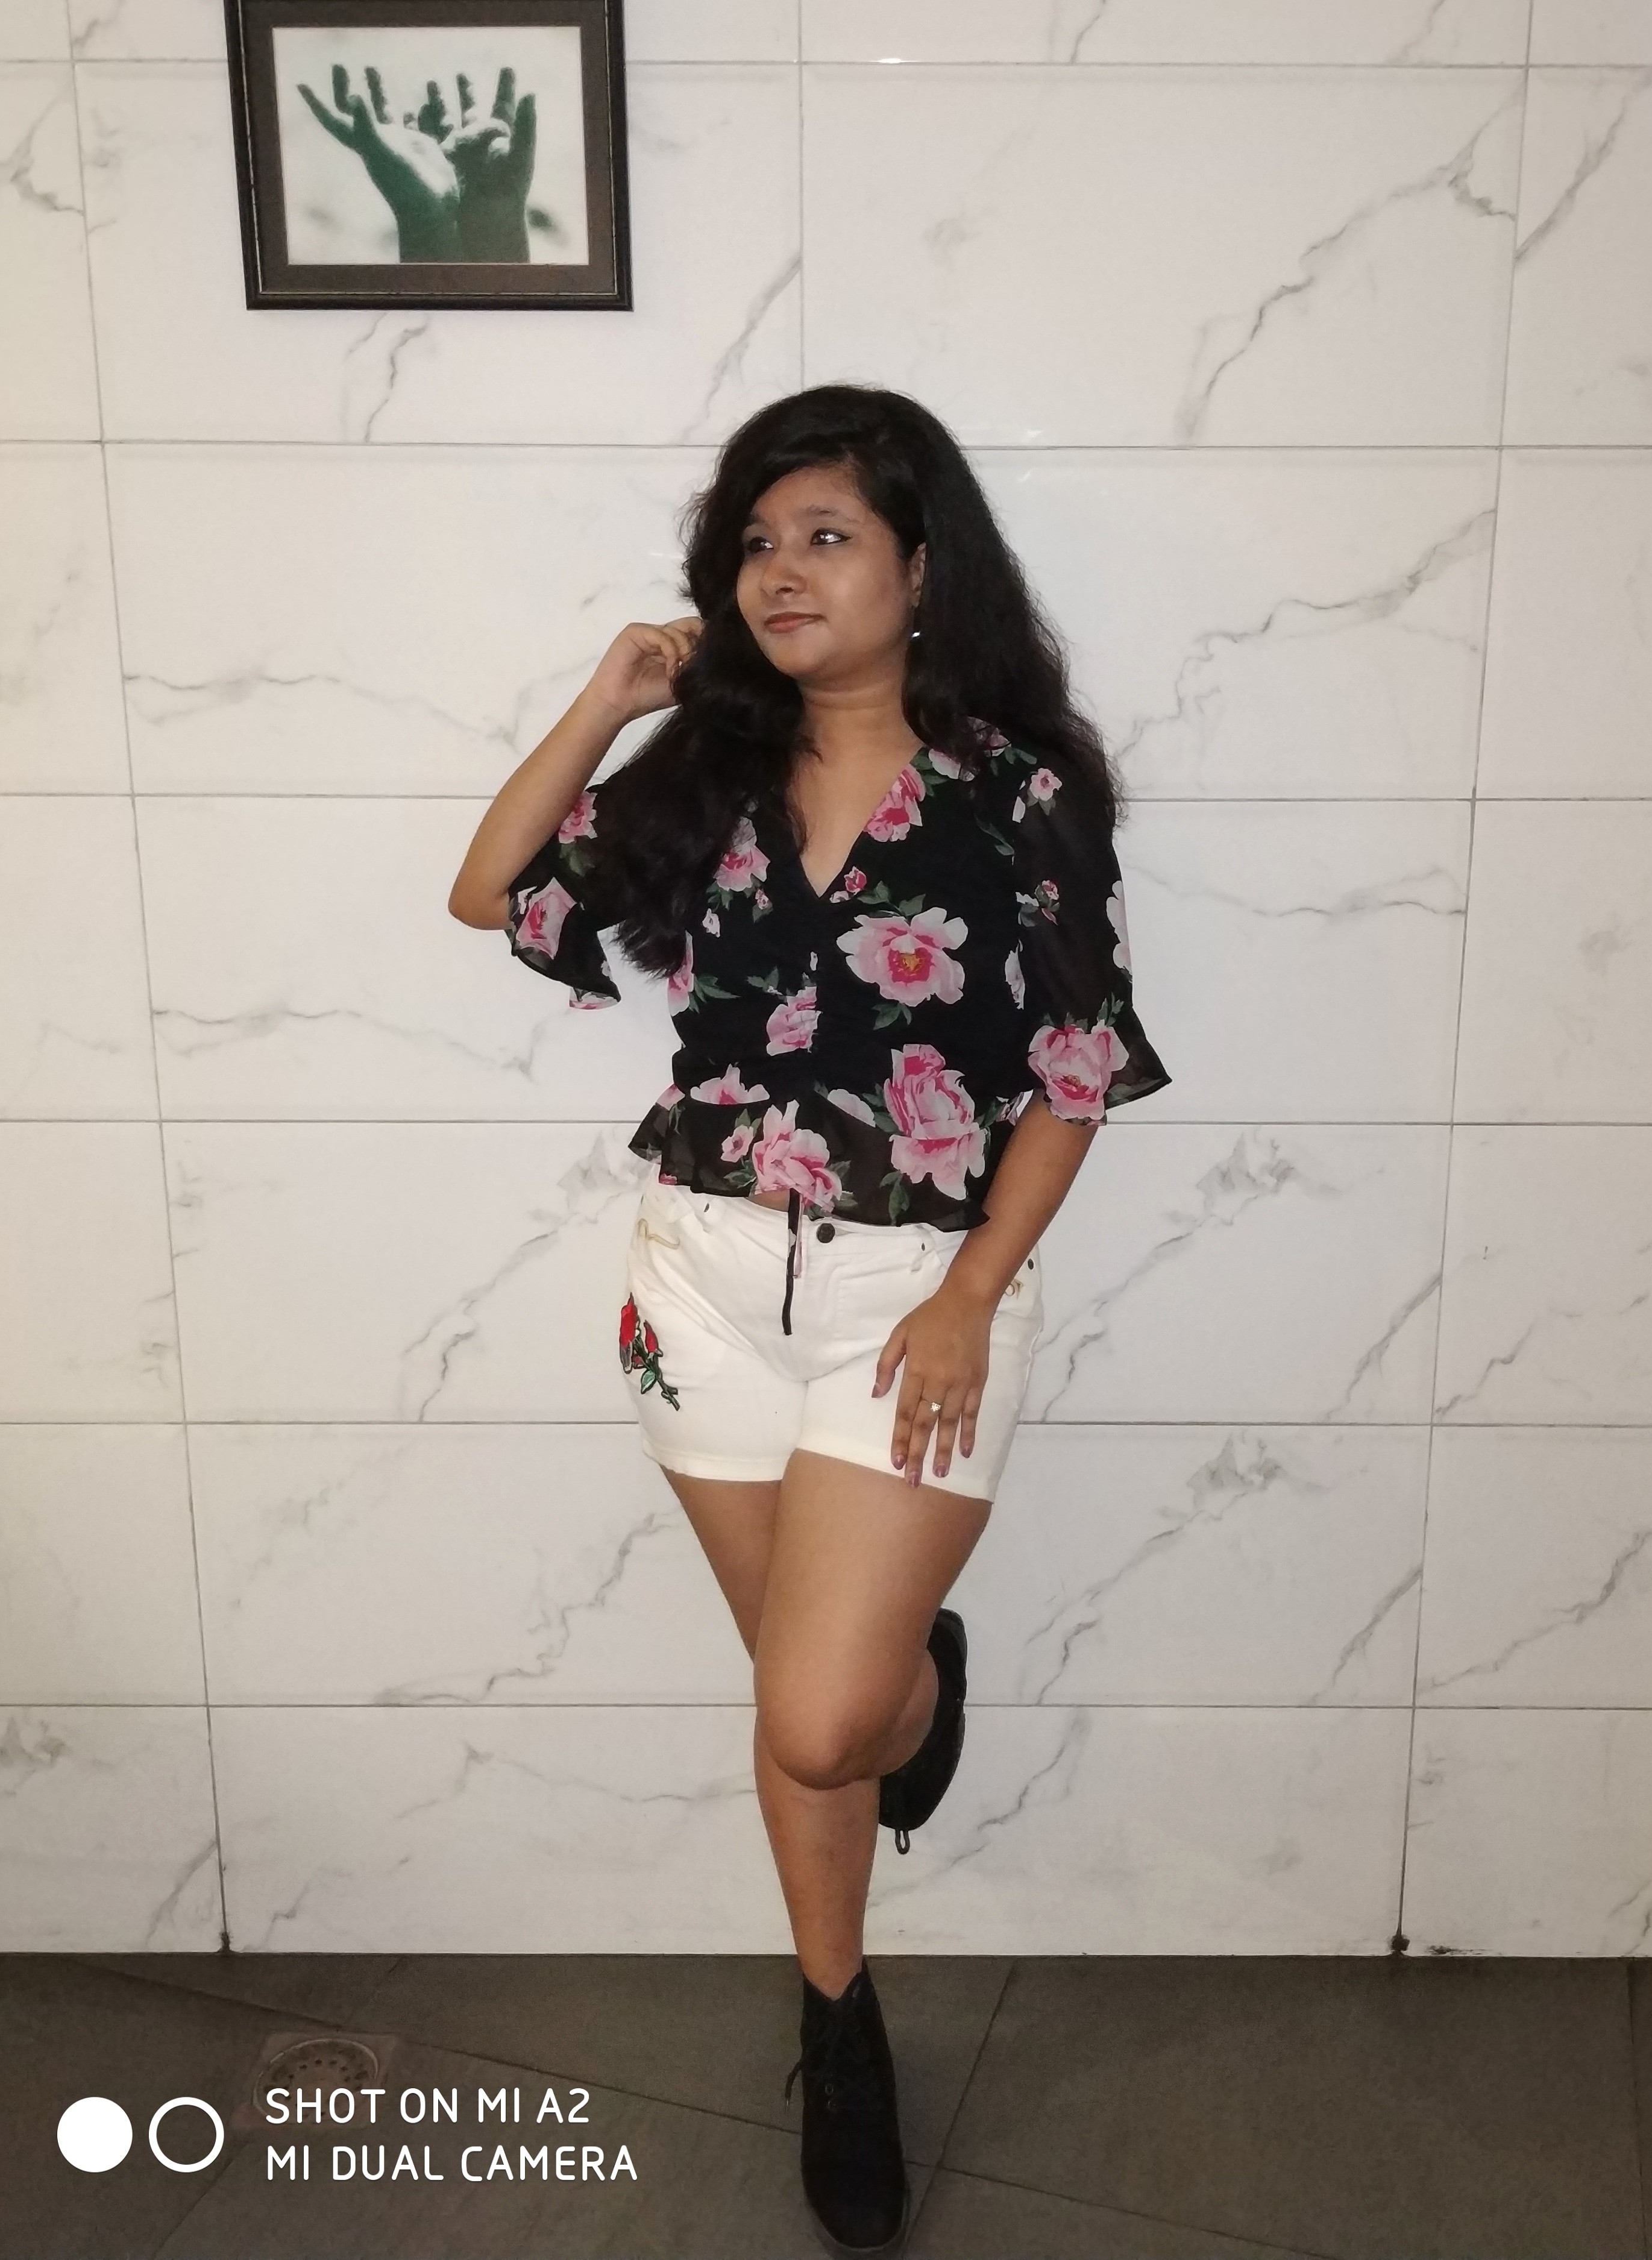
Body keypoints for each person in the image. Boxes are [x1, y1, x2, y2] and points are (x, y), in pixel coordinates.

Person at [448, 384, 1170, 2257]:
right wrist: (613, 696)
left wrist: (973, 1297)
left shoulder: (1020, 796)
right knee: (801, 1718)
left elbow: (1076, 1071)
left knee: (830, 1707)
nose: (783, 571)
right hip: (698, 1277)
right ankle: (838, 2023)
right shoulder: (703, 776)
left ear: (924, 568)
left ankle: (921, 1675)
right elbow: (489, 895)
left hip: (910, 1296)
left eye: (827, 536)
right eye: (758, 543)